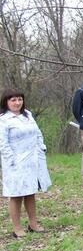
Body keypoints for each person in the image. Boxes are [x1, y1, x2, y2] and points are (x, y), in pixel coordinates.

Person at [0, 89, 52, 238]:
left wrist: (41, 148)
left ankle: (33, 224)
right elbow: (3, 144)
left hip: (32, 160)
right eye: (13, 100)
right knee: (16, 195)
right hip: (15, 163)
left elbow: (38, 133)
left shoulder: (27, 114)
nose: (17, 103)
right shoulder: (4, 119)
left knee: (30, 193)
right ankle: (17, 228)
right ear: (6, 102)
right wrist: (12, 161)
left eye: (19, 99)